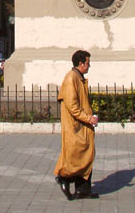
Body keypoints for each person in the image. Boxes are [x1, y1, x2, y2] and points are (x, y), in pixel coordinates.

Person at [54, 50, 99, 201]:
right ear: (81, 64)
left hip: (82, 125)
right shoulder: (71, 78)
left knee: (86, 155)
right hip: (76, 126)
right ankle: (64, 178)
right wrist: (88, 118)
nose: (89, 66)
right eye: (87, 63)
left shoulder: (78, 77)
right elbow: (73, 106)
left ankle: (83, 190)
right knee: (76, 156)